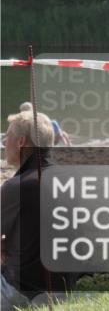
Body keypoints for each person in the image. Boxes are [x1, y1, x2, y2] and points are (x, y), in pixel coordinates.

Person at [1, 110, 76, 306]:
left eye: (6, 138)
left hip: (23, 290)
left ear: (20, 142)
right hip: (65, 285)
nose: (4, 145)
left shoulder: (15, 188)